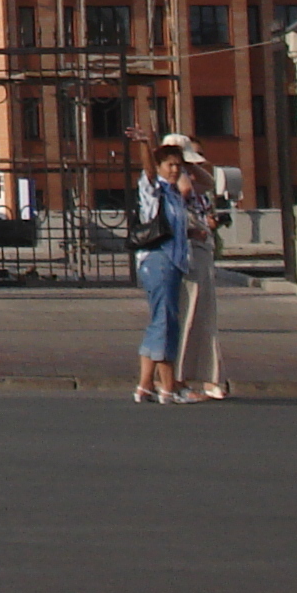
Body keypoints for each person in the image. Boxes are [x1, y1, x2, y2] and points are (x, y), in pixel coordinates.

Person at [166, 134, 230, 400]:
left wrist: (191, 165)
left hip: (202, 252)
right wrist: (179, 166)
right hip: (186, 254)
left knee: (204, 317)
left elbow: (209, 183)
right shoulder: (168, 184)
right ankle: (176, 379)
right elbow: (185, 191)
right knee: (187, 316)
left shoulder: (191, 178)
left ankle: (207, 376)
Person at [132, 146, 193, 403]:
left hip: (174, 263)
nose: (175, 169)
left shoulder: (174, 194)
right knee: (165, 323)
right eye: (169, 164)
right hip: (159, 261)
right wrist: (146, 144)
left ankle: (145, 386)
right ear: (158, 167)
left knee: (162, 320)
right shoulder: (153, 190)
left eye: (178, 165)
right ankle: (168, 387)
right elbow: (147, 171)